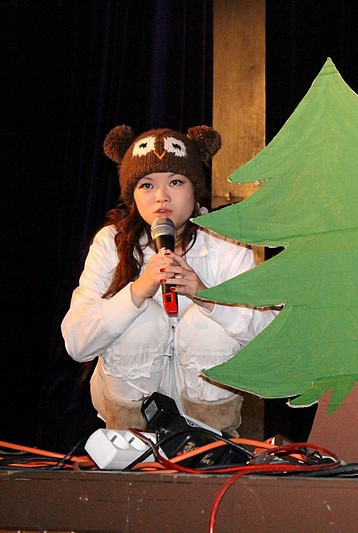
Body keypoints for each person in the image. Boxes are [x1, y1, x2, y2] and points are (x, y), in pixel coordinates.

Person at [62, 125, 277, 436]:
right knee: (143, 318)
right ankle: (131, 435)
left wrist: (208, 298)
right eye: (147, 185)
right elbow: (78, 344)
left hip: (206, 417)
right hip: (130, 411)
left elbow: (271, 338)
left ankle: (208, 440)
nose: (161, 197)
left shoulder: (225, 243)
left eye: (175, 182)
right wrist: (136, 293)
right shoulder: (111, 242)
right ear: (132, 195)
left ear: (195, 189)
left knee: (206, 323)